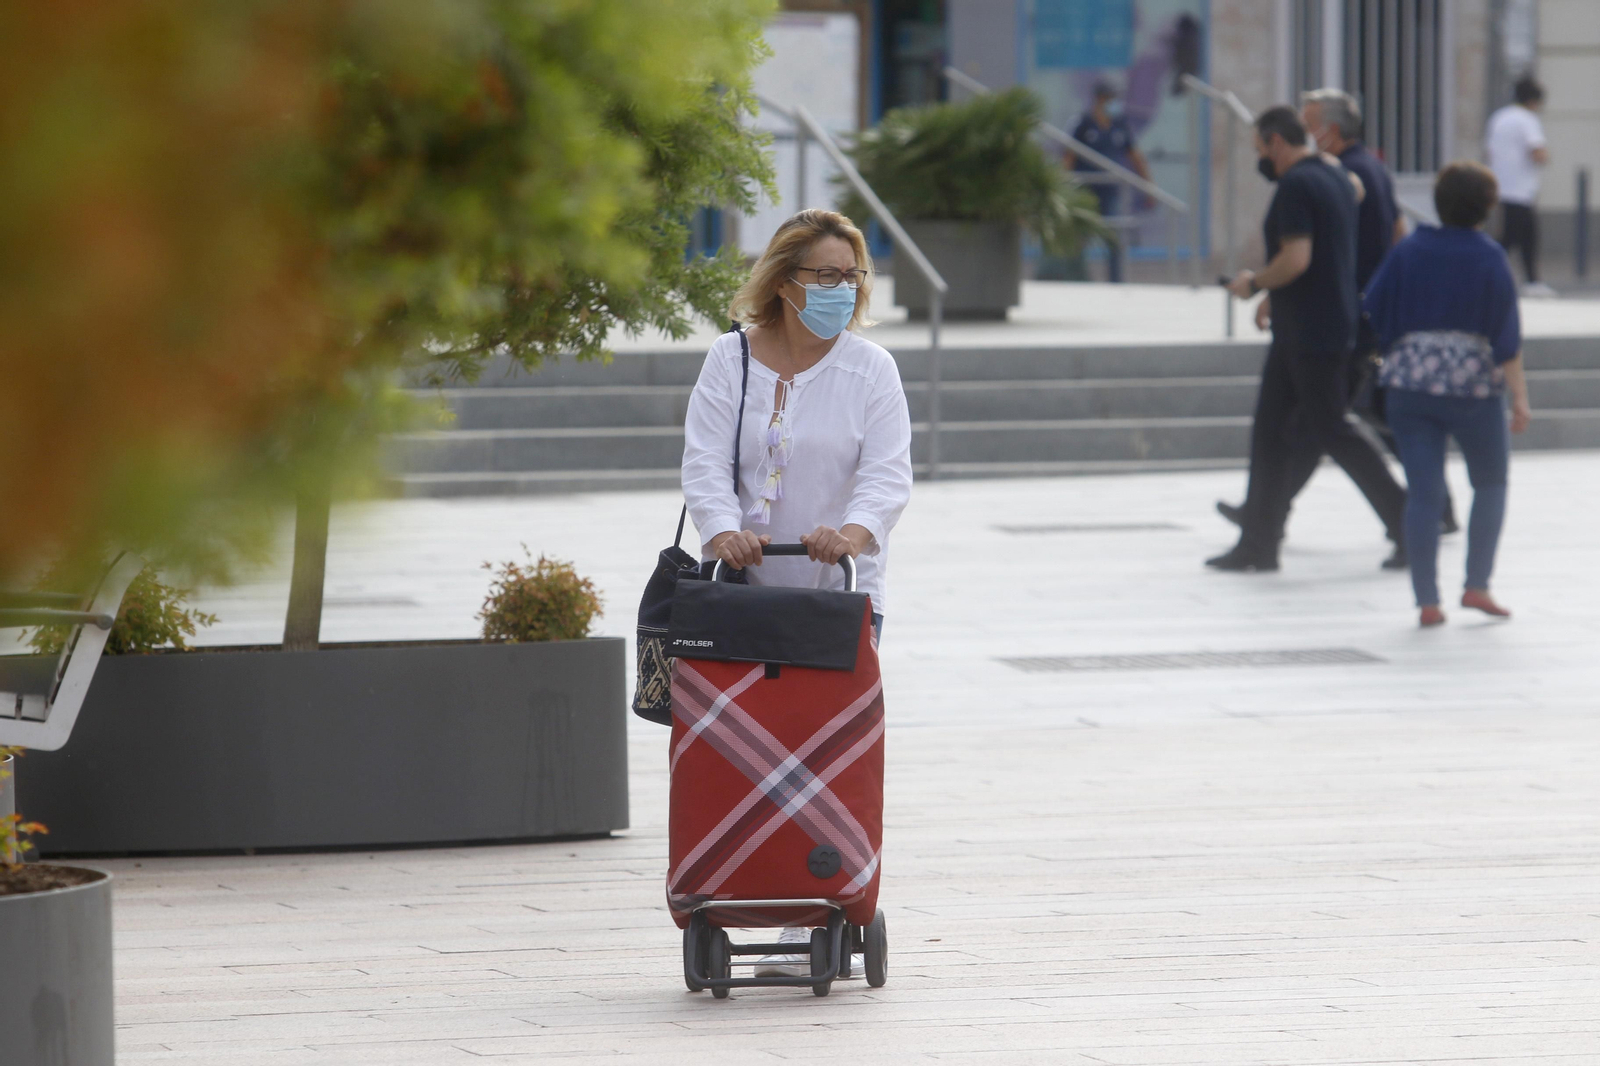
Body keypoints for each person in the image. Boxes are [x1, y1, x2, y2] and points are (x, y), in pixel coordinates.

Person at [680, 208, 912, 977]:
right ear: (784, 282)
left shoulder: (870, 371)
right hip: (742, 594)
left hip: (835, 596)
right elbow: (704, 461)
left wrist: (851, 534)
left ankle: (810, 907)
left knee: (824, 761)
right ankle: (733, 888)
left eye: (852, 276)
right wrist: (722, 532)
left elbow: (887, 476)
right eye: (826, 275)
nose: (843, 288)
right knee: (740, 760)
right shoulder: (730, 360)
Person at [1208, 106, 1406, 573]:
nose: (1261, 159)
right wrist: (1273, 296)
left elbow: (1297, 258)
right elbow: (1330, 236)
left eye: (1260, 149)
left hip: (1312, 332)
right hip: (1313, 324)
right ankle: (1258, 543)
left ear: (1276, 142)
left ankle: (1409, 523)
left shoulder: (1296, 185)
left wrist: (1255, 283)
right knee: (1271, 432)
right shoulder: (1335, 175)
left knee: (1333, 430)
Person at [1362, 163, 1532, 627]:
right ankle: (1477, 585)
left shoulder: (1409, 249)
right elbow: (1506, 339)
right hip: (1473, 387)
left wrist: (1389, 352)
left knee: (1424, 492)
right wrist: (1519, 397)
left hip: (1409, 384)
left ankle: (1427, 600)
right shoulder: (1490, 257)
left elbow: (1371, 308)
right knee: (1490, 483)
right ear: (1488, 207)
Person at [1064, 80, 1153, 283]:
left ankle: (1116, 283)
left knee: (1113, 239)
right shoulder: (1083, 123)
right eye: (1110, 98)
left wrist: (1148, 187)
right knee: (1079, 239)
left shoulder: (1119, 124)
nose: (1114, 102)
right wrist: (1064, 187)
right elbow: (1068, 157)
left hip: (1110, 193)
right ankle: (1076, 281)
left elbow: (1135, 156)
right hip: (1084, 192)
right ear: (1099, 99)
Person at [1485, 76, 1555, 298]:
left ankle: (1532, 280)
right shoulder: (1527, 119)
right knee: (1514, 236)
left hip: (1501, 185)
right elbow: (1537, 152)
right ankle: (1489, 273)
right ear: (1533, 101)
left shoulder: (1499, 117)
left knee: (1522, 235)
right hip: (1520, 188)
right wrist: (1546, 157)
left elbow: (1489, 151)